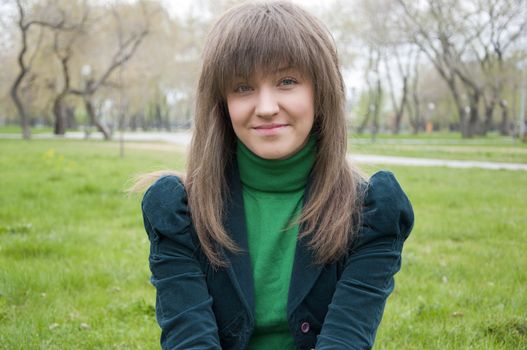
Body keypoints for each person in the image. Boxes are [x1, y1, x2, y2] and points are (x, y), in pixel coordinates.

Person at [139, 1, 414, 349]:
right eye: (242, 87)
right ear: (221, 102)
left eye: (287, 81)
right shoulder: (178, 211)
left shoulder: (373, 212)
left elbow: (346, 339)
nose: (266, 108)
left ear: (321, 90)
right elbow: (189, 339)